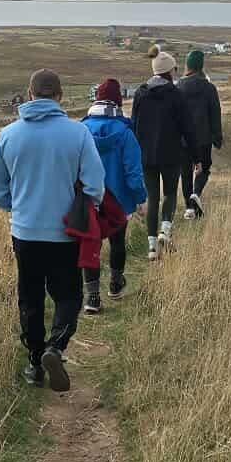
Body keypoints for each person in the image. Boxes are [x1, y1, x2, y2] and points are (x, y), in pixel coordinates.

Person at [0, 68, 105, 391]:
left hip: (24, 231)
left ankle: (34, 364)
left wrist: (17, 207)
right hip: (65, 233)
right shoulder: (78, 134)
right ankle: (56, 347)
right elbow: (96, 185)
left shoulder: (9, 135)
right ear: (60, 96)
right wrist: (84, 206)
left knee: (30, 298)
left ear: (29, 95)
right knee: (68, 295)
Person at [81, 77, 147, 311]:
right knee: (117, 242)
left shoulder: (82, 130)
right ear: (118, 101)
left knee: (91, 244)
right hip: (118, 200)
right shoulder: (126, 133)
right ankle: (116, 284)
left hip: (89, 199)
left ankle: (92, 298)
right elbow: (133, 171)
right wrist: (140, 198)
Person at [131, 49, 192, 260]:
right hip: (171, 154)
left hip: (146, 155)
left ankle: (151, 247)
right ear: (168, 72)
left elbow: (134, 124)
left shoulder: (140, 93)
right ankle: (165, 231)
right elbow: (186, 126)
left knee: (152, 197)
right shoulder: (176, 95)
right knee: (170, 193)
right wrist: (191, 150)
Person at [178, 48, 223, 219]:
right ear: (201, 66)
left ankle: (189, 208)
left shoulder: (178, 86)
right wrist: (217, 137)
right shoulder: (209, 88)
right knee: (204, 168)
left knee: (185, 172)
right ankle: (196, 194)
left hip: (183, 140)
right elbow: (215, 113)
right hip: (203, 138)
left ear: (188, 65)